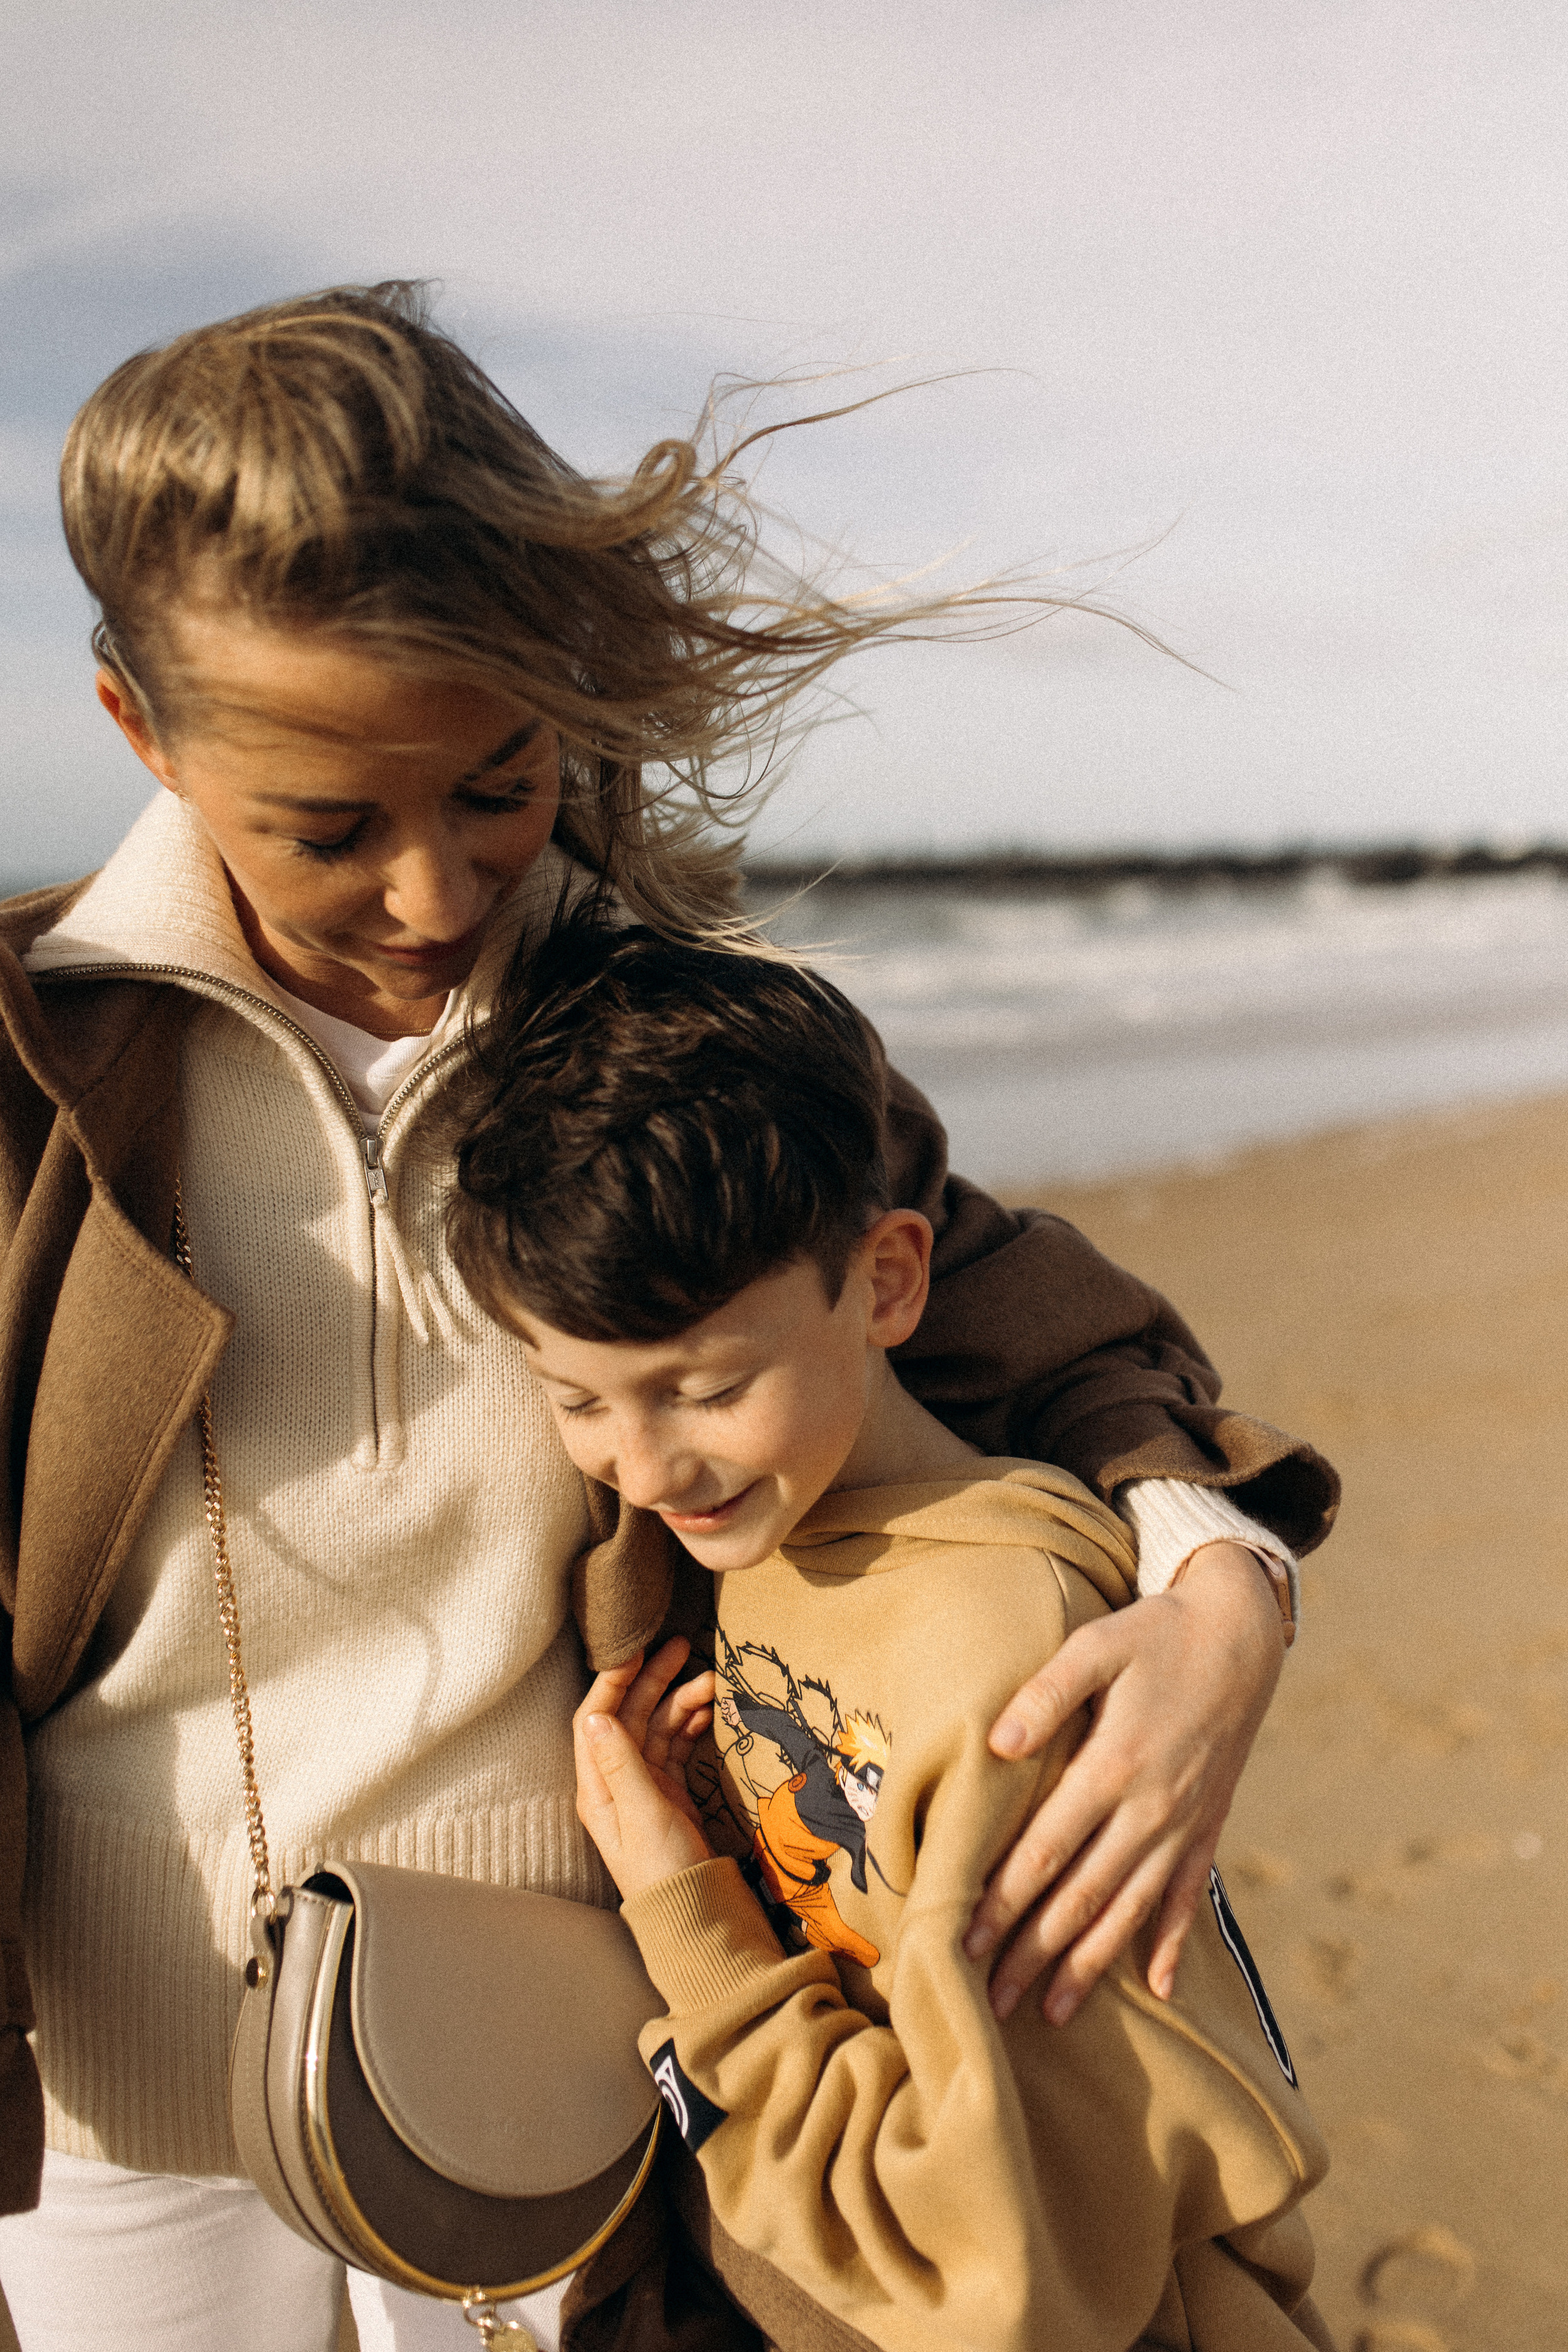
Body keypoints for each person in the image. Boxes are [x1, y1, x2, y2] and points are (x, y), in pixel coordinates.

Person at [0, 282, 1335, 2352]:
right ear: (141, 735)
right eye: (329, 828)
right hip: (117, 2083)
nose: (437, 897)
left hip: (572, 2036)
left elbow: (1009, 1314)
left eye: (501, 787)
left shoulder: (670, 1036)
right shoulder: (27, 1074)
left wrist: (1221, 1586)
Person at [447, 922, 1335, 2352]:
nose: (648, 1468)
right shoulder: (784, 1535)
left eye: (704, 1387)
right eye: (579, 1401)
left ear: (888, 1281)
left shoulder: (1003, 1674)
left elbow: (991, 2271)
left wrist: (692, 1919)